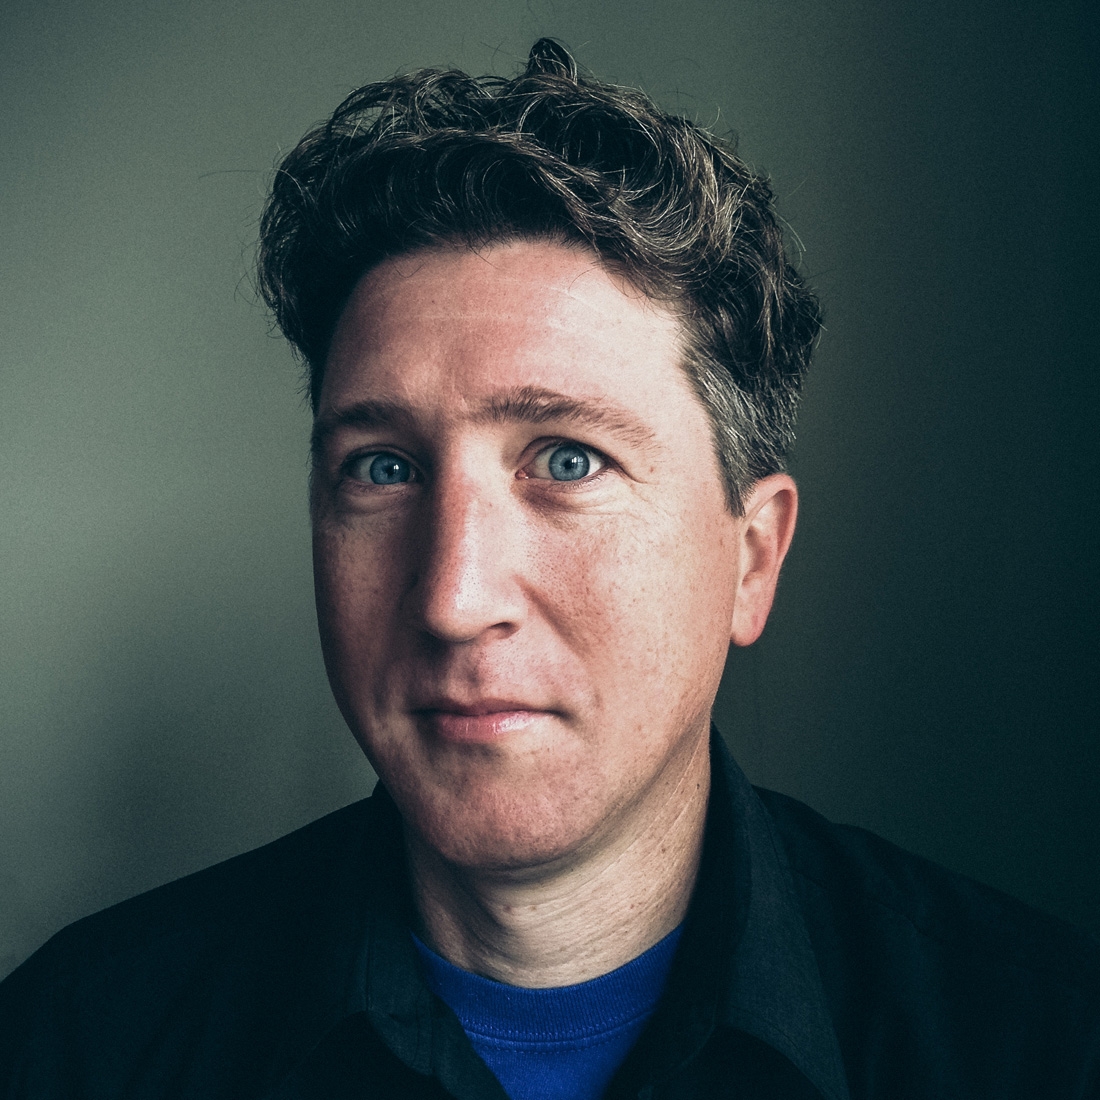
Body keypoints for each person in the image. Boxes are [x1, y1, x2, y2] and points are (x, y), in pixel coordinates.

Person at [1, 38, 1097, 1100]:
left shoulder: (1038, 1047)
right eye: (383, 467)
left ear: (751, 557)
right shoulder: (75, 1048)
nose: (453, 598)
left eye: (568, 460)